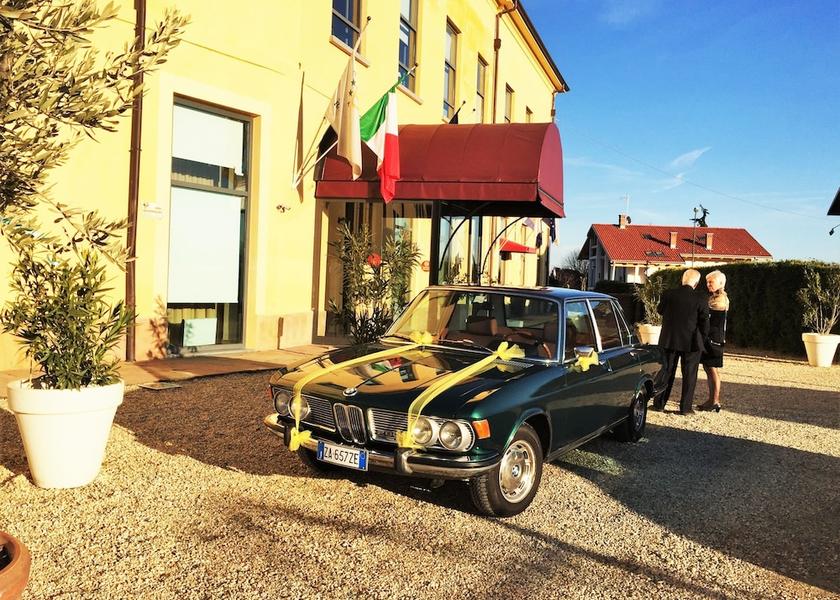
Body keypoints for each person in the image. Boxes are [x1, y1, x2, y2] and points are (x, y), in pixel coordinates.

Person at [652, 269, 710, 414]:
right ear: (696, 283)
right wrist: (702, 339)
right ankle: (685, 408)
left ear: (682, 280)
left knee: (666, 372)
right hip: (691, 342)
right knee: (689, 375)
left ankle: (659, 404)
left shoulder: (668, 294)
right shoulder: (701, 298)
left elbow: (660, 311)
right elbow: (704, 322)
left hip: (669, 339)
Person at [697, 270, 729, 412]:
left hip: (714, 339)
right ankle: (712, 400)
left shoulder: (720, 299)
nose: (708, 284)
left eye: (711, 282)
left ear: (721, 283)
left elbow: (707, 314)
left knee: (712, 369)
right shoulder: (714, 297)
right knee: (709, 368)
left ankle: (715, 400)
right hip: (712, 338)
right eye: (707, 282)